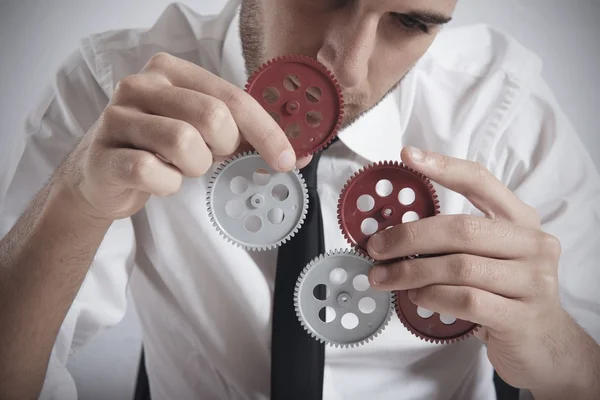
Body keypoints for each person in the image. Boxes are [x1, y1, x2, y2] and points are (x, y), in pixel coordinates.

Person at [1, 0, 599, 399]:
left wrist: (555, 346)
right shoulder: (117, 86)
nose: (347, 66)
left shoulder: (508, 113)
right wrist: (75, 202)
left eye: (411, 22)